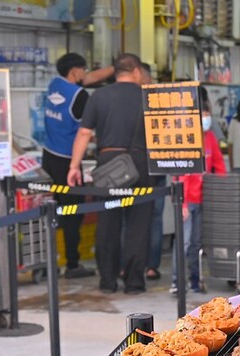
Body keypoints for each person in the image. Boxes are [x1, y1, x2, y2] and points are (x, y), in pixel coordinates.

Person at [67, 53, 155, 295]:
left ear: (116, 72)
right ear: (136, 71)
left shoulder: (99, 96)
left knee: (108, 223)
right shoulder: (148, 96)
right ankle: (134, 283)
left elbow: (84, 134)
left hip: (108, 163)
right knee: (138, 224)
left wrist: (74, 167)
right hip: (141, 162)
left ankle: (108, 281)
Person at [42, 52, 113, 279]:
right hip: (67, 161)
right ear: (75, 71)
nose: (86, 73)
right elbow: (85, 129)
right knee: (73, 214)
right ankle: (73, 265)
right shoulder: (79, 95)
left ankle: (48, 262)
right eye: (83, 69)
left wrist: (113, 69)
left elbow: (89, 80)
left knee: (52, 212)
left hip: (48, 157)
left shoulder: (54, 85)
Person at [170, 103, 226, 295]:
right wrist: (182, 202)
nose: (206, 118)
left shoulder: (209, 137)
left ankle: (194, 281)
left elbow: (218, 163)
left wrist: (222, 189)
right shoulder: (186, 139)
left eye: (208, 114)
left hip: (203, 199)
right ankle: (177, 283)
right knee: (183, 243)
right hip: (186, 200)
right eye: (203, 114)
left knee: (195, 243)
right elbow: (179, 174)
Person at [139, 62, 166, 280]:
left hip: (138, 170)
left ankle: (128, 265)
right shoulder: (159, 105)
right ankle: (151, 266)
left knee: (131, 218)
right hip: (157, 167)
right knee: (155, 218)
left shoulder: (132, 104)